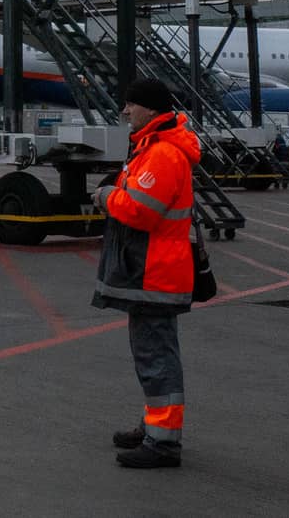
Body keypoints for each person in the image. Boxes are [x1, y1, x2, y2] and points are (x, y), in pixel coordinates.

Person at [92, 77, 198, 469]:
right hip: (150, 270)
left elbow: (140, 210)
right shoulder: (152, 147)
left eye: (131, 104)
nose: (125, 111)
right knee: (150, 354)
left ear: (151, 110)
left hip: (155, 271)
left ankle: (164, 442)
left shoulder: (163, 154)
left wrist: (106, 197)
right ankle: (153, 426)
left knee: (157, 356)